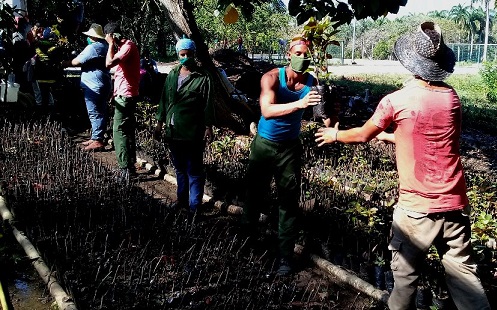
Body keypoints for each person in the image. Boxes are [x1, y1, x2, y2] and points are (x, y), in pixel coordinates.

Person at [314, 22, 491, 310]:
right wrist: (393, 136)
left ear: (411, 62)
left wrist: (335, 134)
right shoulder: (451, 98)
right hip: (455, 204)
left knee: (405, 279)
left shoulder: (396, 100)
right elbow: (436, 140)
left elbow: (361, 134)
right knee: (466, 280)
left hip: (416, 209)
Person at [243, 37, 334, 276]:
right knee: (254, 195)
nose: (302, 58)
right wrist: (300, 103)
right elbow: (267, 110)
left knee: (288, 202)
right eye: (298, 53)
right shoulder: (271, 78)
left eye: (306, 54)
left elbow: (324, 118)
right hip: (264, 144)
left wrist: (331, 110)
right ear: (288, 55)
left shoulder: (313, 83)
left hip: (289, 149)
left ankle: (285, 256)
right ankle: (246, 243)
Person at [153, 37, 214, 213]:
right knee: (179, 168)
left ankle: (195, 206)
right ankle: (182, 201)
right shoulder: (173, 74)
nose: (185, 58)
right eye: (182, 55)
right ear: (178, 55)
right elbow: (164, 100)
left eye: (189, 54)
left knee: (194, 170)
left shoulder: (203, 77)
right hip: (174, 130)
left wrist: (208, 127)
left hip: (193, 131)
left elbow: (208, 104)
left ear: (194, 55)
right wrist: (159, 124)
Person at [61, 23, 111, 151]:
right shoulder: (105, 46)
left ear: (93, 37)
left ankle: (98, 139)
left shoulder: (93, 48)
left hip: (93, 85)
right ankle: (95, 137)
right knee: (101, 111)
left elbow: (76, 61)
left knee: (94, 112)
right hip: (103, 82)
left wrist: (63, 63)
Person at [104, 22, 141, 179]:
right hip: (123, 94)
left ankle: (125, 168)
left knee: (119, 131)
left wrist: (110, 45)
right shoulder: (124, 47)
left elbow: (108, 63)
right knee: (126, 130)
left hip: (126, 96)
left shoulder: (127, 46)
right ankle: (129, 166)